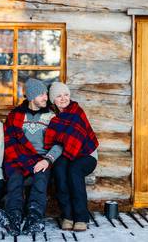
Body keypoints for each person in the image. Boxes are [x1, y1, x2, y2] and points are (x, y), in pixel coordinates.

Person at [0, 78, 63, 236]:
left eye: (46, 94)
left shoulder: (51, 116)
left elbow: (59, 143)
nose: (46, 98)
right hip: (18, 157)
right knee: (15, 177)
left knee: (40, 178)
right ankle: (14, 216)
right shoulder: (16, 115)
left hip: (42, 158)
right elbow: (10, 140)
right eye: (42, 95)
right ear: (32, 96)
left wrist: (47, 160)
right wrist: (23, 161)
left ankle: (34, 216)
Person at [44, 82, 99, 232]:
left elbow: (76, 139)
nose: (63, 98)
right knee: (60, 170)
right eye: (59, 96)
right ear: (52, 99)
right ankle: (67, 216)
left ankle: (81, 217)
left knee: (74, 170)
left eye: (66, 95)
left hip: (86, 154)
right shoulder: (53, 117)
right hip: (65, 154)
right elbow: (56, 142)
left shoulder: (76, 111)